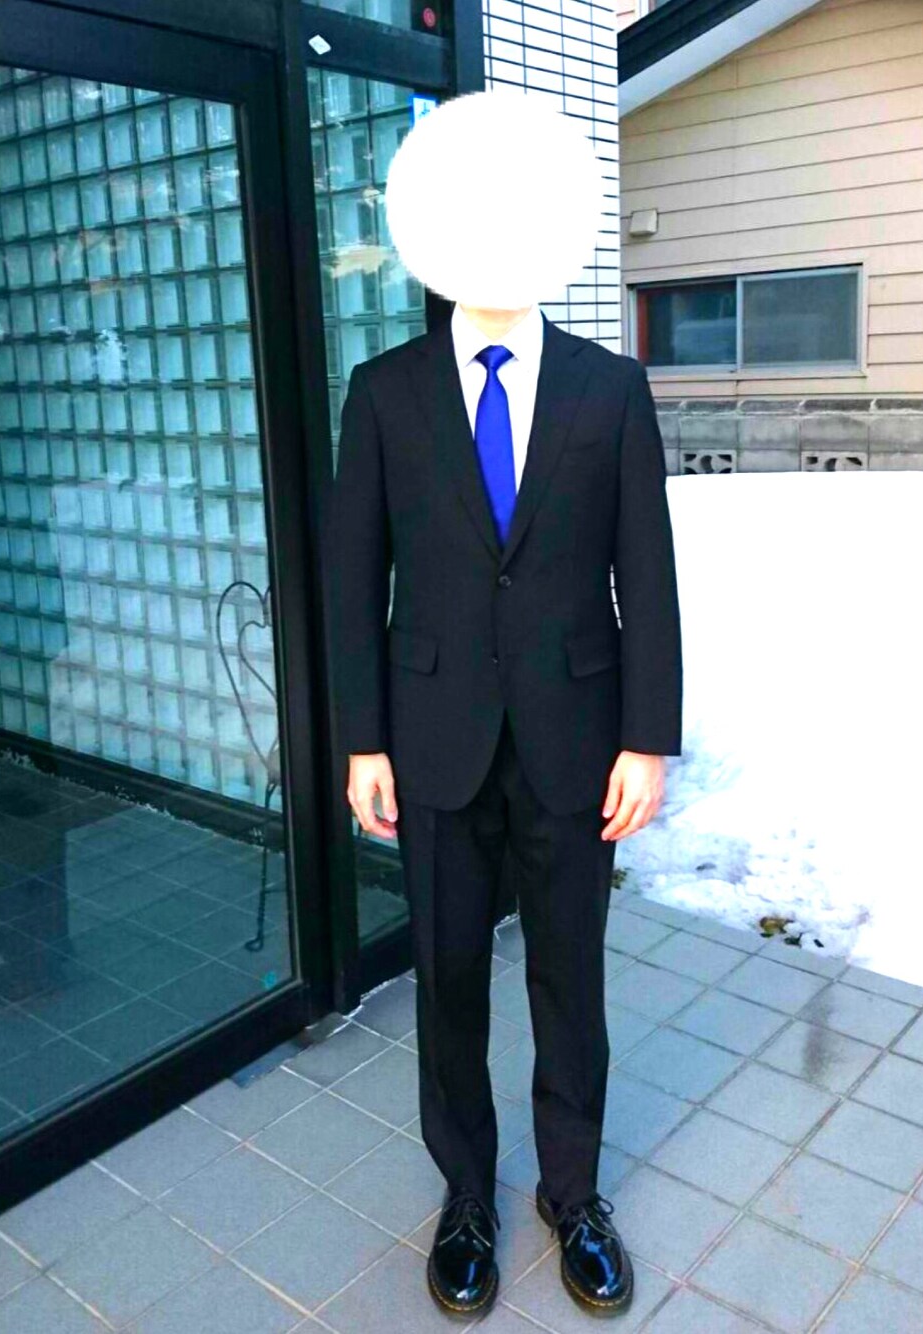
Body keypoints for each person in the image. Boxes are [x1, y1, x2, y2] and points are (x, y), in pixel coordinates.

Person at [323, 91, 683, 1318]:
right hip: (431, 739)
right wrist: (361, 740)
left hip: (577, 740)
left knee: (569, 977)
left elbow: (648, 576)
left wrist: (646, 737)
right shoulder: (383, 391)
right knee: (449, 978)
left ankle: (572, 1193)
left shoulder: (609, 388)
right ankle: (466, 1194)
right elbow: (352, 579)